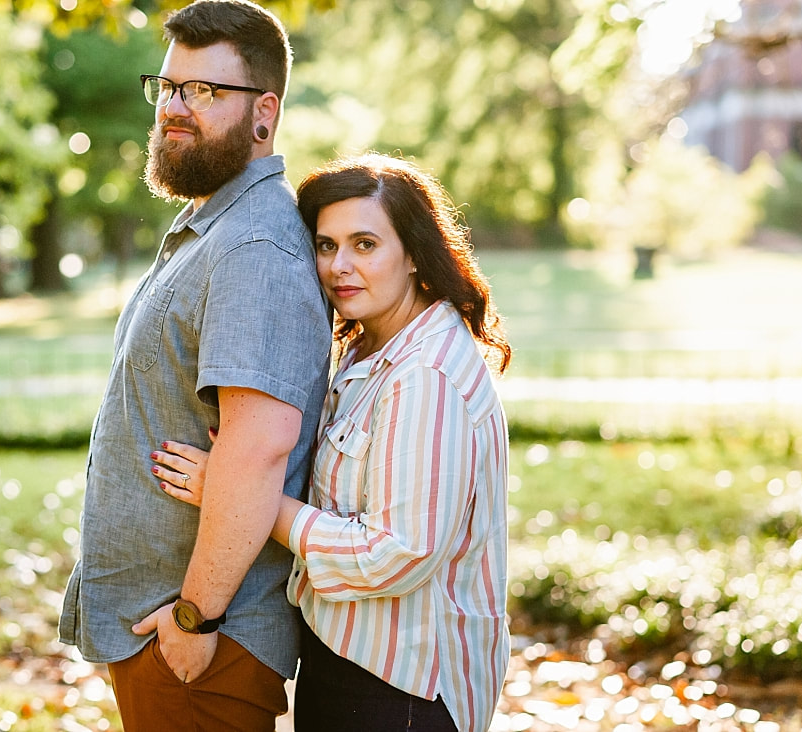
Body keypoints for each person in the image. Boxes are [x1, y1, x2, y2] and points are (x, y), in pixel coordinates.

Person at [152, 153, 513, 732]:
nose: (339, 266)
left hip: (402, 689)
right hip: (343, 655)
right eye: (326, 246)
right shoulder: (368, 347)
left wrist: (241, 493)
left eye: (365, 244)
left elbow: (397, 553)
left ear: (415, 253)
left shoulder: (425, 376)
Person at [57, 2, 331, 730]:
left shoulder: (253, 250)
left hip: (200, 644)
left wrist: (195, 619)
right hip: (170, 637)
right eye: (170, 87)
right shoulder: (213, 228)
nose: (175, 109)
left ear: (264, 114)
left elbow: (259, 442)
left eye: (206, 91)